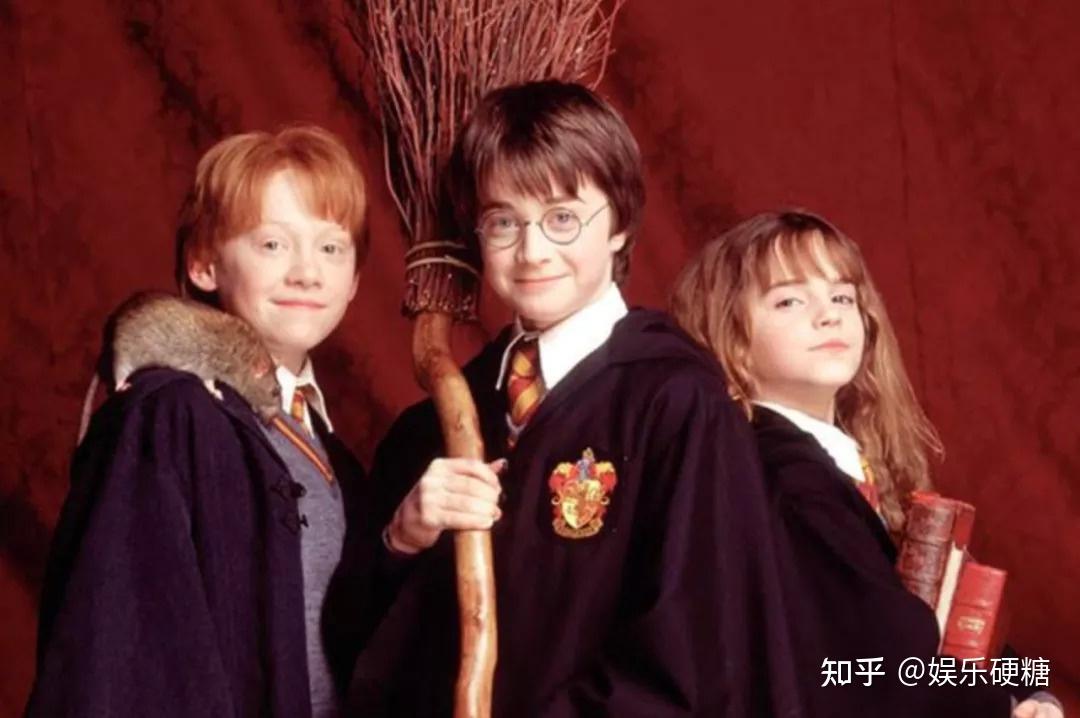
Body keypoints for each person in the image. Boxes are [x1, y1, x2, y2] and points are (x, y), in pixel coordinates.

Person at [339, 81, 802, 717]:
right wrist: (402, 540)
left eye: (562, 217)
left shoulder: (675, 403)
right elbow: (353, 652)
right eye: (504, 221)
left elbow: (694, 658)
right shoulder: (438, 426)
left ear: (620, 223)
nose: (532, 252)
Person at [27, 125, 369, 718]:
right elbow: (119, 651)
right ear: (205, 264)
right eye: (272, 244)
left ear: (356, 279)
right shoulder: (172, 418)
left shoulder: (335, 456)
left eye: (331, 248)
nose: (307, 273)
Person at [670, 209, 1063, 718]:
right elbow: (870, 667)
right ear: (734, 341)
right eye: (789, 300)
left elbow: (927, 633)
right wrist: (1005, 703)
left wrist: (1030, 686)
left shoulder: (841, 465)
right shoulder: (782, 480)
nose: (828, 315)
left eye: (842, 297)